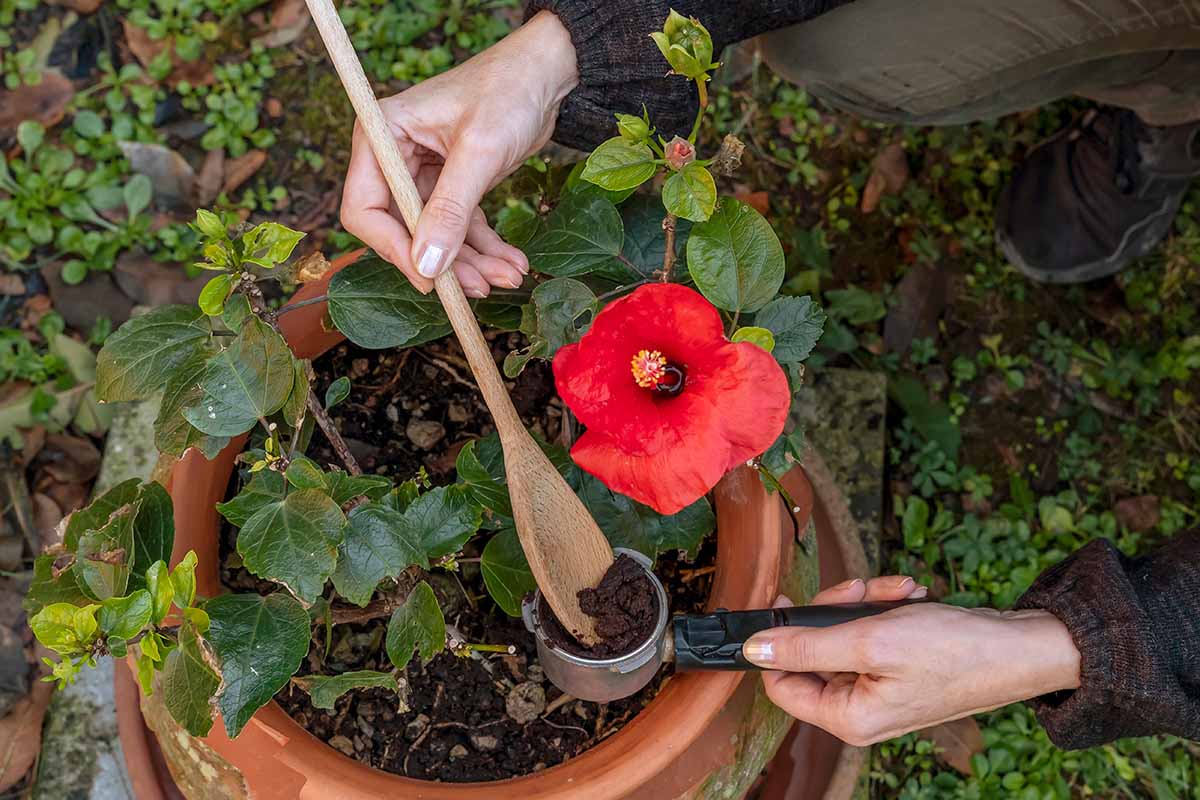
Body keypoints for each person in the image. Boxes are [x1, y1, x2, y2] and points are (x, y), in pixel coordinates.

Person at [339, 2, 1200, 748]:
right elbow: (639, 351)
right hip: (664, 356)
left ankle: (1171, 91)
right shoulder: (645, 350)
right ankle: (1167, 85)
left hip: (684, 364)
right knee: (831, 49)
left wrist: (1065, 645)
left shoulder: (701, 369)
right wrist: (559, 49)